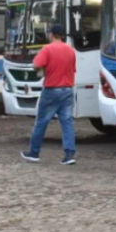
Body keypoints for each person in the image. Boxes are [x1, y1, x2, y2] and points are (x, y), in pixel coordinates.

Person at [21, 24, 77, 165]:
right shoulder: (70, 50)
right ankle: (69, 155)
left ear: (52, 34)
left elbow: (36, 65)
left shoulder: (47, 49)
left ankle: (34, 152)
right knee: (67, 123)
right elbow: (72, 69)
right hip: (68, 90)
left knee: (42, 121)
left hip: (52, 89)